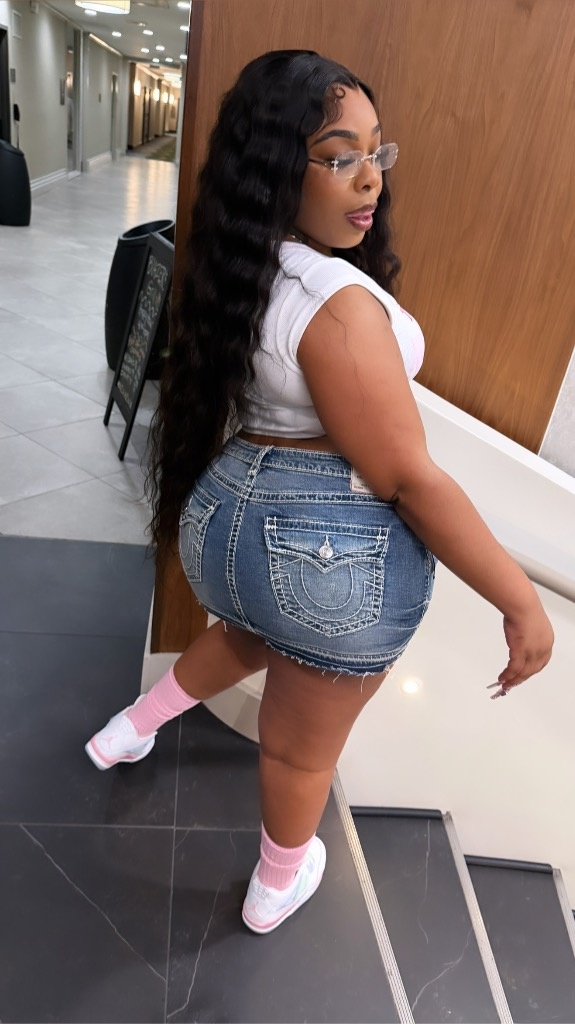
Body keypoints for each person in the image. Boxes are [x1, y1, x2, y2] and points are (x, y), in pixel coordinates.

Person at [85, 51, 554, 935]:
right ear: (275, 168)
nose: (369, 178)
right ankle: (277, 884)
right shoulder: (339, 307)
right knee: (301, 755)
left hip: (227, 524)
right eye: (339, 157)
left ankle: (129, 730)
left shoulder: (244, 262)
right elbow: (408, 479)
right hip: (319, 552)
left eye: (376, 152)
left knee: (247, 633)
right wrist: (517, 598)